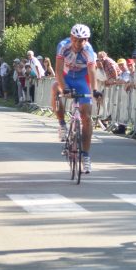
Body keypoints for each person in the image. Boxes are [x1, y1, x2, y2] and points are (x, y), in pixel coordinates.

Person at [51, 24, 101, 174]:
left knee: (87, 116)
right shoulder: (63, 46)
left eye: (82, 40)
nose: (79, 43)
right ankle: (62, 124)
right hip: (65, 77)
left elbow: (92, 72)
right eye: (76, 39)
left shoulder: (88, 50)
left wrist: (95, 90)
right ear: (71, 37)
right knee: (55, 88)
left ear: (87, 40)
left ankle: (85, 156)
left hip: (81, 80)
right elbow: (58, 70)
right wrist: (63, 87)